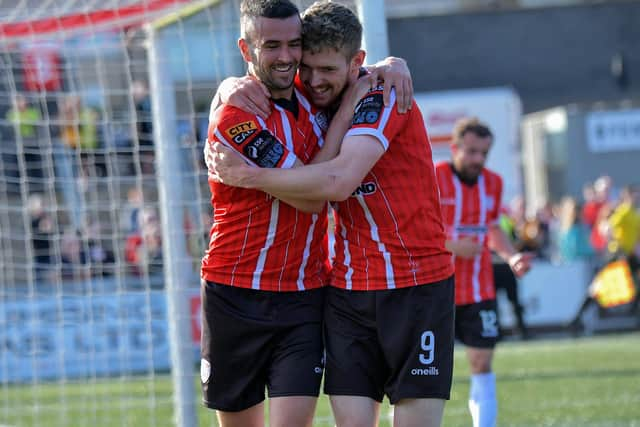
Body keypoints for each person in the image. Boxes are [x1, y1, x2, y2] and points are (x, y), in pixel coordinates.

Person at [208, 3, 455, 426]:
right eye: (307, 67)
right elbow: (315, 187)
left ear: (357, 63)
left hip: (409, 286)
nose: (313, 78)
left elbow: (335, 183)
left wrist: (250, 177)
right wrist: (226, 88)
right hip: (325, 292)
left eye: (325, 68)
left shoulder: (380, 93)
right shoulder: (286, 102)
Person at [435, 117, 532, 427]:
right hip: (434, 291)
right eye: (471, 151)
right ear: (455, 148)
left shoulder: (493, 182)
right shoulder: (434, 177)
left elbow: (493, 230)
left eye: (484, 153)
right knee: (425, 369)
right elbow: (413, 229)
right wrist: (452, 245)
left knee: (481, 361)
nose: (478, 159)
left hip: (479, 291)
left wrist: (513, 256)